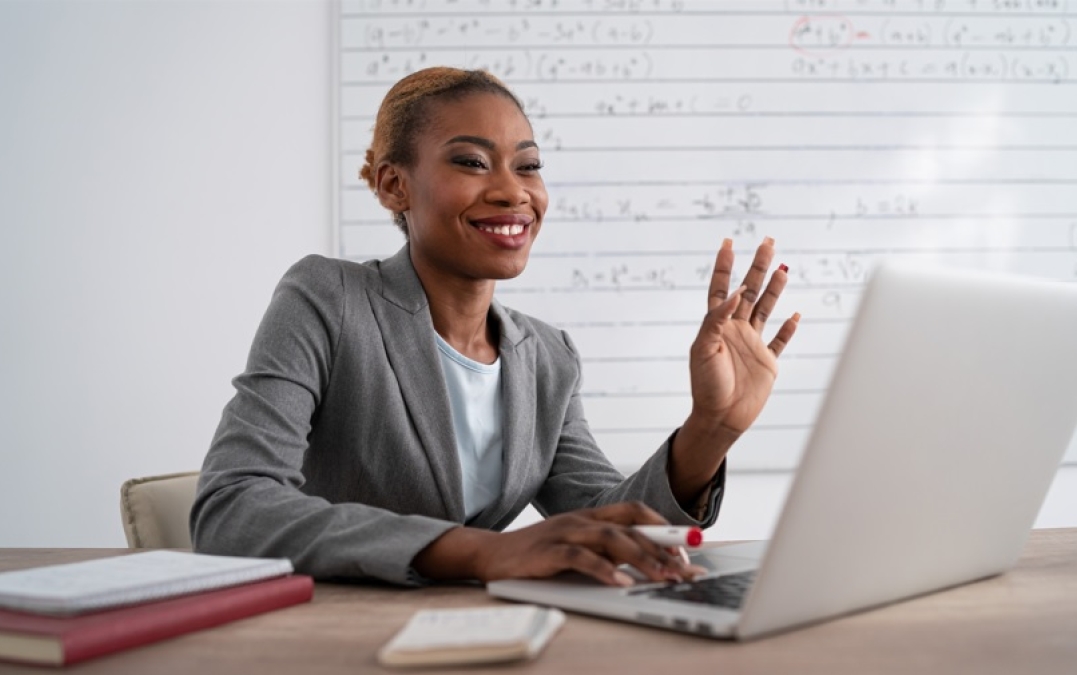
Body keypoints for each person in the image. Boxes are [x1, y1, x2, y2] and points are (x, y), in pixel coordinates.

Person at [190, 67, 800, 588]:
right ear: (393, 185)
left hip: (481, 630)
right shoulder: (329, 298)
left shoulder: (549, 357)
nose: (513, 191)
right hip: (330, 633)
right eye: (472, 162)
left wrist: (709, 429)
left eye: (529, 165)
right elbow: (232, 506)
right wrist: (484, 552)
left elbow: (602, 516)